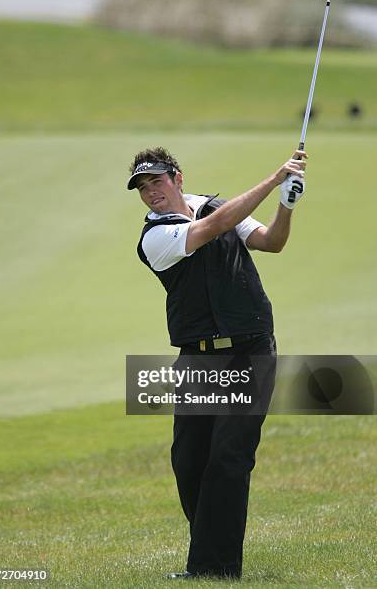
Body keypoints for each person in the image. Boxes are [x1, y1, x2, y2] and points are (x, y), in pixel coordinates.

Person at [127, 146, 307, 579]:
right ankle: (212, 549)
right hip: (198, 358)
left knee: (229, 458)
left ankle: (215, 568)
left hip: (250, 350)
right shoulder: (155, 237)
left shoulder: (214, 204)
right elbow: (213, 228)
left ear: (178, 177)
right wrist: (272, 178)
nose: (151, 193)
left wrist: (286, 204)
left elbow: (271, 242)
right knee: (189, 461)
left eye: (157, 181)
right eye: (143, 187)